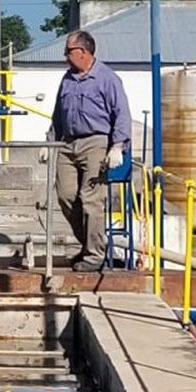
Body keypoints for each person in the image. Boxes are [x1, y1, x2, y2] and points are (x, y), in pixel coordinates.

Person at [50, 30, 131, 272]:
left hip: (96, 142)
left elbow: (122, 113)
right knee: (65, 195)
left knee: (91, 200)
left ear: (83, 52)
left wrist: (117, 146)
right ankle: (90, 244)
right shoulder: (68, 79)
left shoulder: (107, 79)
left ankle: (94, 254)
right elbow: (58, 113)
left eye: (69, 51)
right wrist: (50, 141)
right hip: (67, 143)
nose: (65, 56)